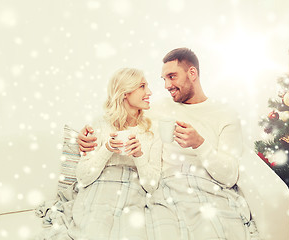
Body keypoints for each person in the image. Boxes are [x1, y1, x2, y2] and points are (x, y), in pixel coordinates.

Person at [78, 48, 260, 239]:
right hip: (167, 187)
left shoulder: (225, 115)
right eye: (163, 79)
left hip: (207, 186)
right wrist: (85, 135)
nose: (166, 85)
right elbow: (122, 116)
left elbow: (229, 176)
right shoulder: (157, 109)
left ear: (192, 73)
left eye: (172, 77)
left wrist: (199, 144)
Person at [69, 68, 162, 240]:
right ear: (125, 92)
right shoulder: (99, 125)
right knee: (93, 233)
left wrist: (139, 155)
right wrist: (107, 149)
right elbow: (82, 178)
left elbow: (152, 185)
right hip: (101, 190)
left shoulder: (152, 131)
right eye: (142, 86)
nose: (149, 91)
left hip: (133, 193)